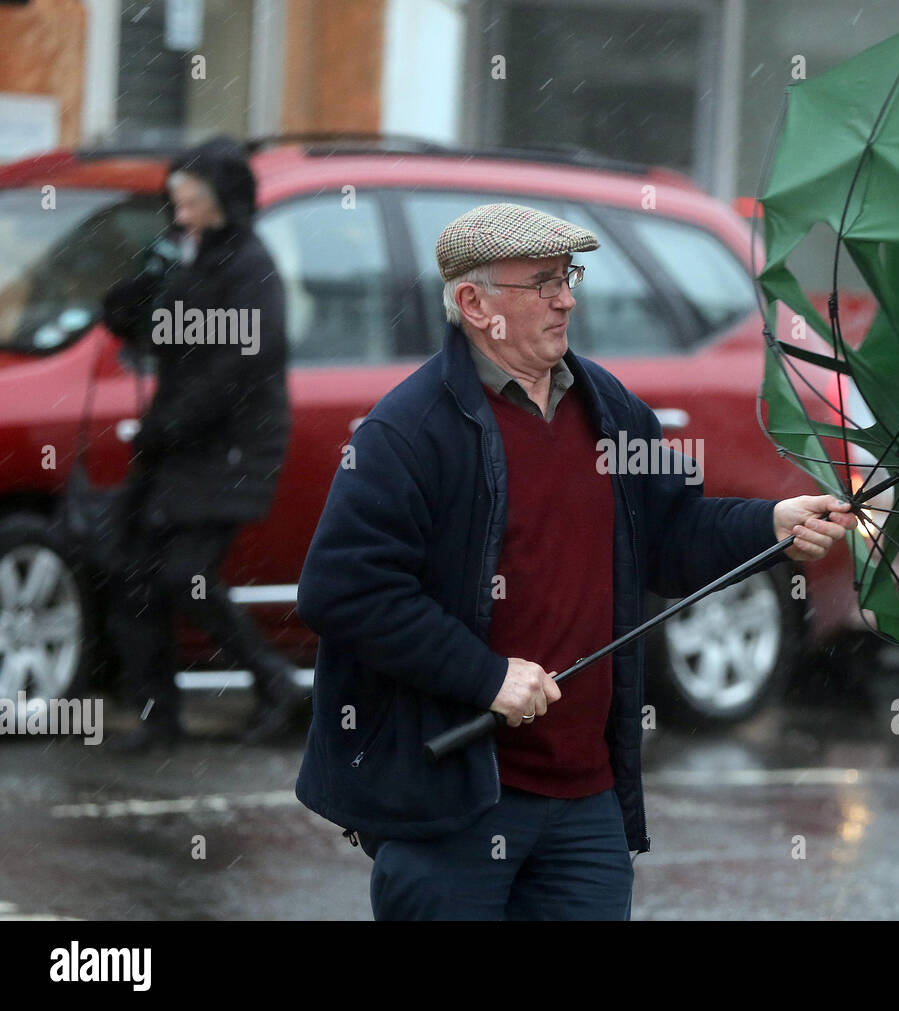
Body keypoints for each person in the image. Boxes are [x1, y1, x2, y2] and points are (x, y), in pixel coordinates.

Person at [293, 202, 856, 920]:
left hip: (586, 799)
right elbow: (344, 590)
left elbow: (668, 531)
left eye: (569, 277)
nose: (568, 298)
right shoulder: (408, 431)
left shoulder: (612, 410)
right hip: (455, 799)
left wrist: (767, 524)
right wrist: (486, 675)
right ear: (474, 302)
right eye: (542, 282)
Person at [100, 136, 299, 751]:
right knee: (134, 574)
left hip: (232, 448)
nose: (181, 215)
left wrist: (175, 421)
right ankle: (160, 719)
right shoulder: (194, 257)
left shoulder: (249, 266)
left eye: (191, 203)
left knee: (183, 573)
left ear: (224, 201)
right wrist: (133, 298)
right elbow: (157, 336)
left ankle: (278, 684)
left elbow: (243, 364)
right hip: (178, 447)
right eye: (176, 204)